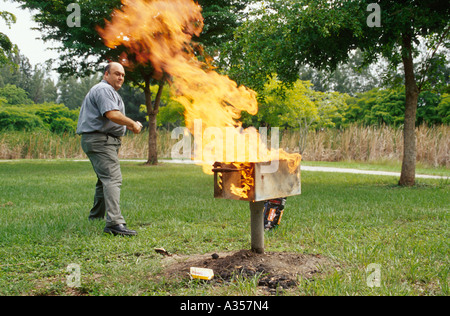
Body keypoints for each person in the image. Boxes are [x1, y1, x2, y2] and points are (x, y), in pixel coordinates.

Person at [76, 62, 142, 236]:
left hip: (100, 140)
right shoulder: (104, 90)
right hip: (100, 140)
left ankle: (96, 217)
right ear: (106, 74)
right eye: (116, 73)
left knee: (103, 180)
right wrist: (132, 124)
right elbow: (112, 114)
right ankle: (114, 223)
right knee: (112, 178)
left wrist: (127, 125)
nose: (120, 77)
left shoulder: (107, 91)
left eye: (122, 75)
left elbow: (110, 118)